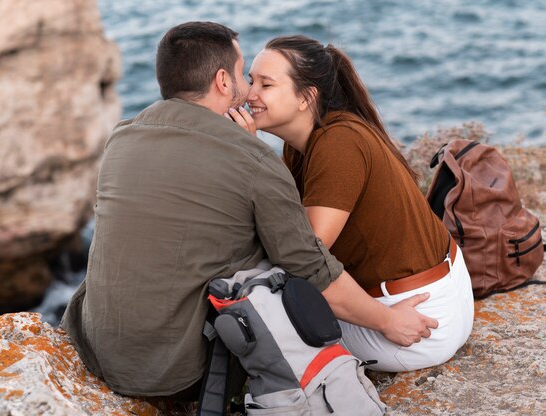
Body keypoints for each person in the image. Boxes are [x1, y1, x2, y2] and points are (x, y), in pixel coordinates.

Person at [60, 22, 436, 401]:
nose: (250, 90)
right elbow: (309, 265)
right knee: (271, 265)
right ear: (223, 81)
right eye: (244, 75)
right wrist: (388, 320)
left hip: (96, 349)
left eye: (263, 82)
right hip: (177, 375)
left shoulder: (120, 139)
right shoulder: (252, 159)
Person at [227, 35, 474, 372]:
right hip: (438, 294)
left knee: (250, 315)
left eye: (265, 85)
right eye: (251, 80)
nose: (249, 94)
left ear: (306, 97)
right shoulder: (307, 144)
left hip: (416, 320)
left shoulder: (338, 144)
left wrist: (248, 154)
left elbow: (306, 256)